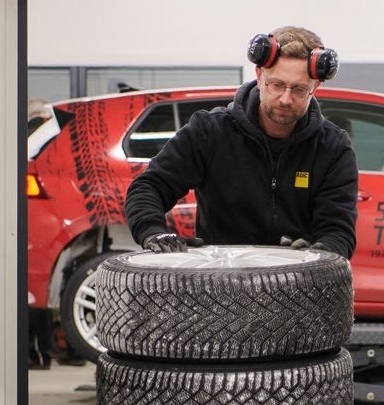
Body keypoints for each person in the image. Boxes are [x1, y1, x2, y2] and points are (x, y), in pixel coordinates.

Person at [124, 26, 359, 258]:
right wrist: (153, 233)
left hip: (298, 277)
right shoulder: (210, 132)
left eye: (299, 89)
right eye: (277, 85)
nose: (286, 99)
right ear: (259, 75)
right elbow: (150, 187)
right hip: (220, 276)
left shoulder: (333, 147)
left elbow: (337, 230)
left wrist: (318, 255)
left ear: (315, 86)